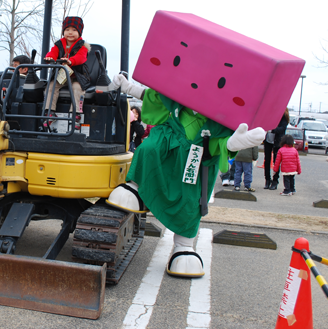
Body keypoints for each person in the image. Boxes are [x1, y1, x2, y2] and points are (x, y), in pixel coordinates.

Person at [107, 75, 264, 278]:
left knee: (190, 201)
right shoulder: (177, 100)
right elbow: (153, 96)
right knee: (148, 149)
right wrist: (129, 87)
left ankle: (183, 246)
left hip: (195, 159)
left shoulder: (218, 121)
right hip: (169, 142)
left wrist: (234, 143)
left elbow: (219, 144)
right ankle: (136, 189)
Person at [43, 16, 90, 130]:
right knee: (51, 86)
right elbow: (53, 52)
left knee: (76, 88)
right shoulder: (59, 44)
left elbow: (81, 57)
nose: (70, 32)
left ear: (79, 32)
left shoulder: (82, 46)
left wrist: (71, 61)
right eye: (67, 29)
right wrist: (49, 58)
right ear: (63, 31)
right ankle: (50, 112)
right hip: (63, 75)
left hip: (78, 76)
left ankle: (75, 114)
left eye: (74, 30)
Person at [264, 108, 289, 190]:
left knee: (276, 162)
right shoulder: (269, 114)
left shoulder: (283, 116)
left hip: (277, 141)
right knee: (267, 160)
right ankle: (267, 180)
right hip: (268, 140)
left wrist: (272, 130)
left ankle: (275, 181)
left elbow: (282, 128)